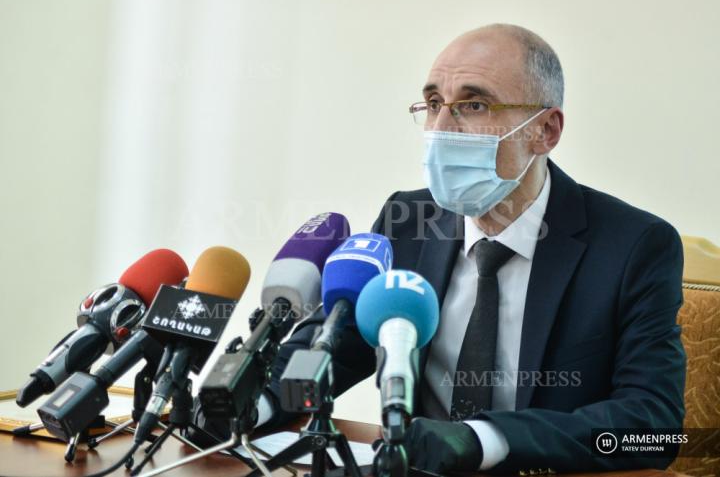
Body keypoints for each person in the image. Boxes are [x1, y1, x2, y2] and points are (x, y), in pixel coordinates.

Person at [196, 24, 686, 475]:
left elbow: (653, 426)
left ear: (546, 131)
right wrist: (249, 406)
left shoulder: (633, 245)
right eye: (433, 103)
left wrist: (480, 440)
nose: (442, 127)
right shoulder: (406, 222)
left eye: (473, 105)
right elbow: (331, 349)